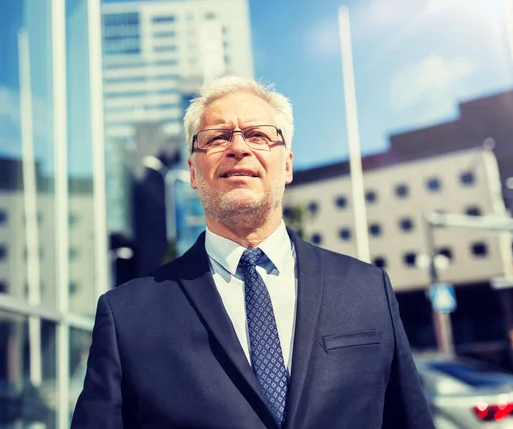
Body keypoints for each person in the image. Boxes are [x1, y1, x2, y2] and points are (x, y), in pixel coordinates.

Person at [71, 76, 435, 429]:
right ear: (194, 172)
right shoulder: (127, 315)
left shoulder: (368, 290)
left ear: (287, 165)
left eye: (259, 135)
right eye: (217, 138)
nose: (239, 147)